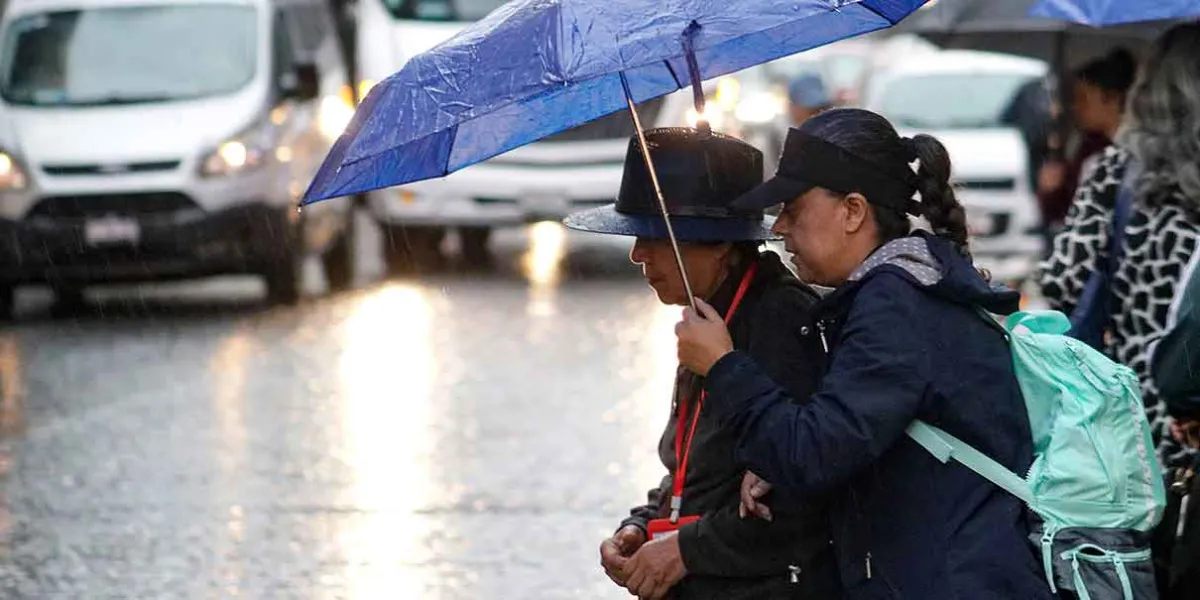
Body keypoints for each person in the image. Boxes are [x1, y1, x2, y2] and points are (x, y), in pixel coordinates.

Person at [673, 108, 1052, 599]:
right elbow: (856, 435)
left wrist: (723, 367)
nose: (779, 228)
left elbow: (813, 454)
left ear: (853, 211)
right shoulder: (903, 289)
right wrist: (776, 465)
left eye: (792, 208)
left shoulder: (895, 304)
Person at [563, 127, 839, 599]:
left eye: (653, 236)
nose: (637, 255)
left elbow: (795, 498)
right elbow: (697, 470)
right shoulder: (706, 313)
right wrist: (645, 523)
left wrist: (684, 549)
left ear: (719, 244)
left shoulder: (778, 317)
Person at [1037, 48, 1138, 239]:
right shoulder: (1086, 146)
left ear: (1112, 98)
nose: (1077, 107)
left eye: (1084, 98)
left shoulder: (1133, 153)